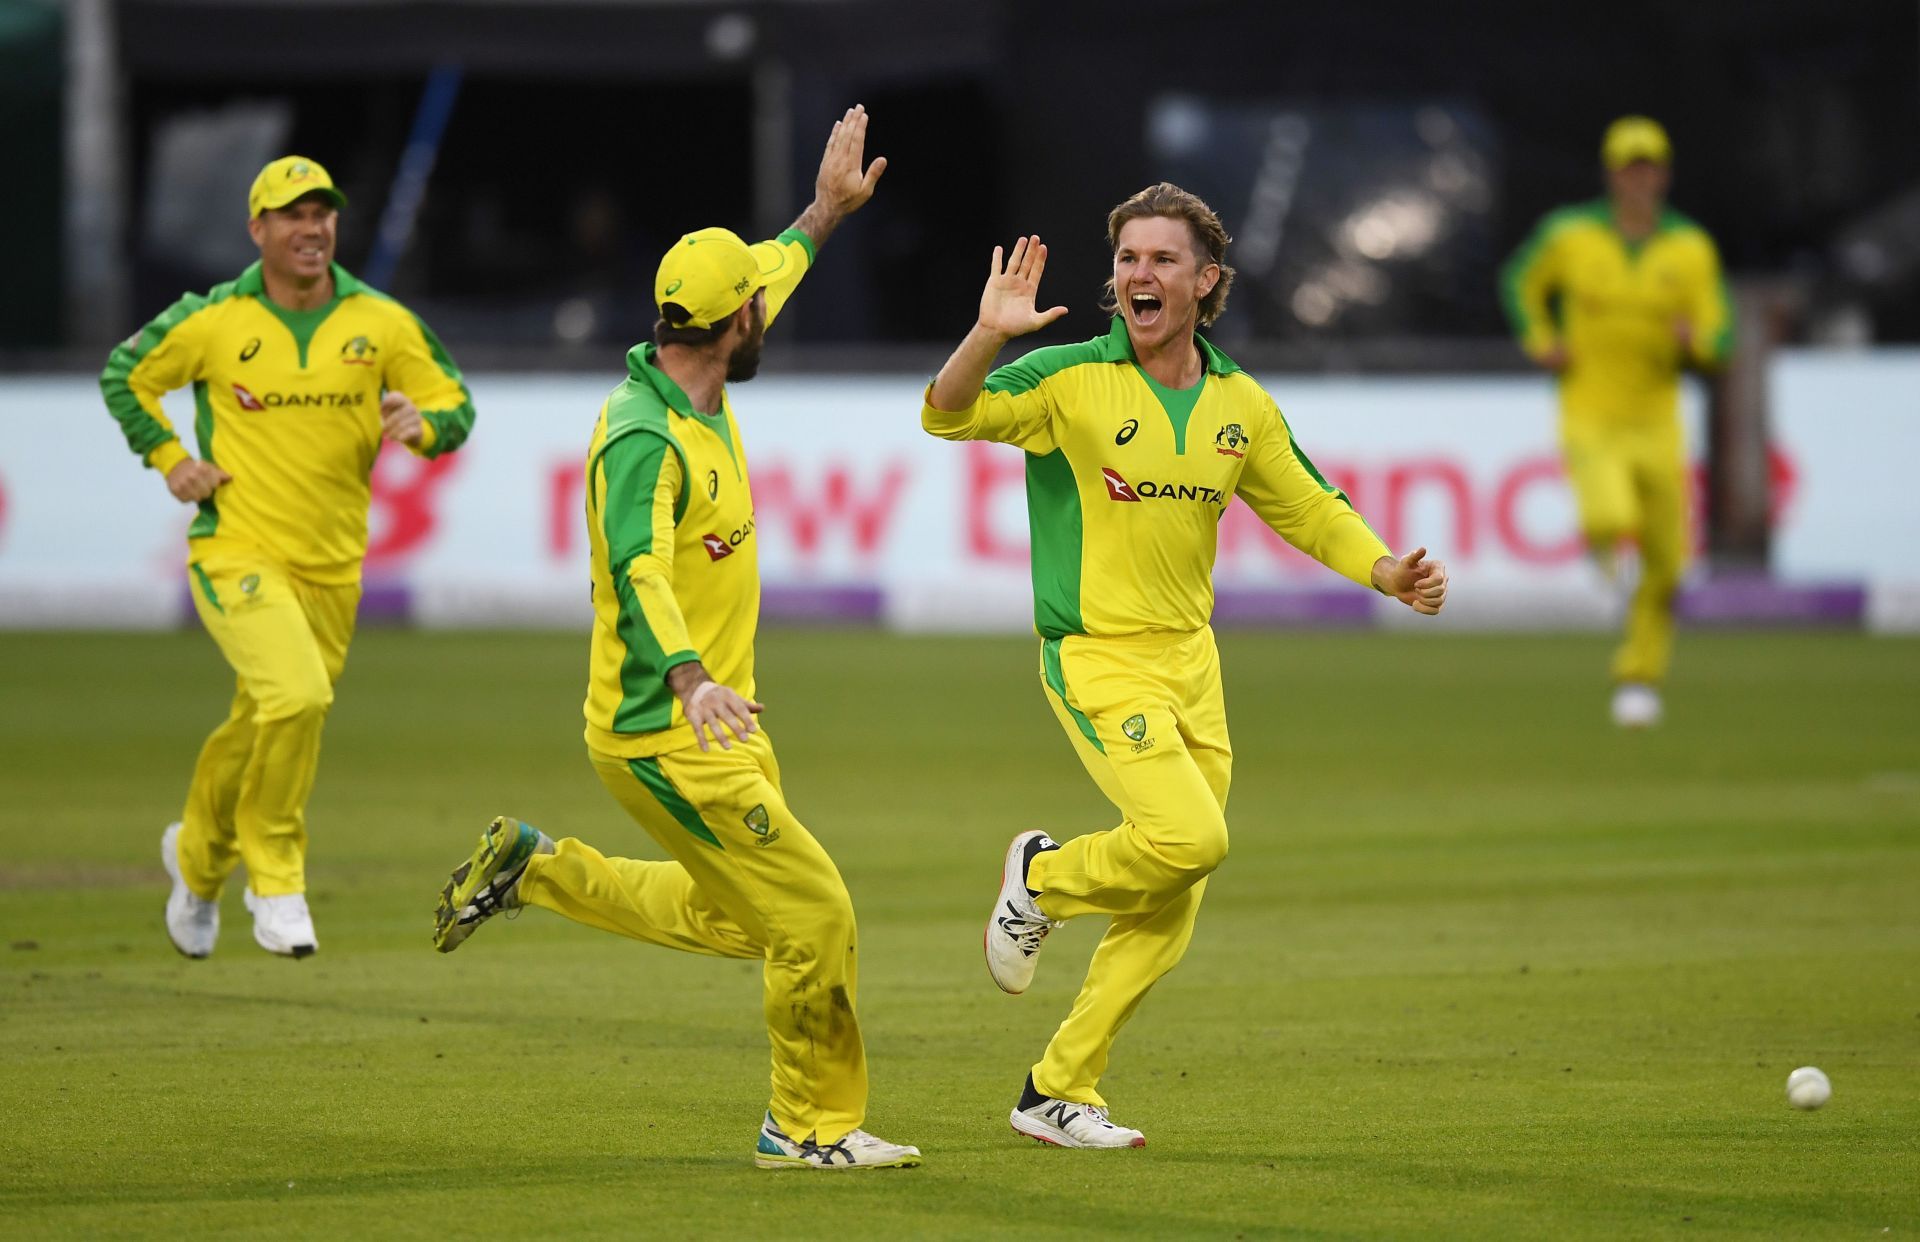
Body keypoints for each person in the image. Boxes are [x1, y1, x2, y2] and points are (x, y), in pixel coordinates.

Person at [430, 106, 918, 1173]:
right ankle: (807, 1128)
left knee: (749, 922)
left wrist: (824, 213)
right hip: (668, 728)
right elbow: (635, 567)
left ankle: (540, 872)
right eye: (759, 302)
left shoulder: (695, 364)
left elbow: (773, 268)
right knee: (815, 914)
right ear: (736, 323)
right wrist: (691, 675)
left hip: (717, 719)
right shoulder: (645, 436)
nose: (767, 305)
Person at [921, 184, 1449, 1149]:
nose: (1139, 275)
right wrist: (987, 334)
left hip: (1191, 666)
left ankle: (1057, 1090)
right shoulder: (1068, 377)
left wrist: (1382, 568)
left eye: (1162, 260)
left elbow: (1307, 504)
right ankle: (1042, 879)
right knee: (1192, 841)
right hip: (1096, 658)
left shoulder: (1238, 404)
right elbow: (947, 416)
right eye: (1127, 259)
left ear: (1206, 282)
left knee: (1173, 893)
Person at [101, 156, 474, 960]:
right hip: (235, 546)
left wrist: (426, 426)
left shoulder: (378, 321)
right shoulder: (214, 319)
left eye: (323, 213)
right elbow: (126, 373)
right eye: (292, 214)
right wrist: (171, 460)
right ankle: (276, 881)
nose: (311, 229)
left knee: (266, 715)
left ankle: (197, 862)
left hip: (333, 566)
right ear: (257, 229)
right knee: (298, 699)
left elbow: (453, 401)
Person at [1500, 116, 1732, 728]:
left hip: (1659, 420)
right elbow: (1520, 280)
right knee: (1608, 515)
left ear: (1665, 174)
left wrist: (1698, 341)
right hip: (1591, 411)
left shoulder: (1691, 249)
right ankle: (1606, 561)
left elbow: (1721, 332)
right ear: (1611, 174)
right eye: (1629, 167)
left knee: (1669, 563)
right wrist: (1541, 337)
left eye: (1648, 166)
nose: (1639, 179)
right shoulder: (1571, 234)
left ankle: (1639, 676)